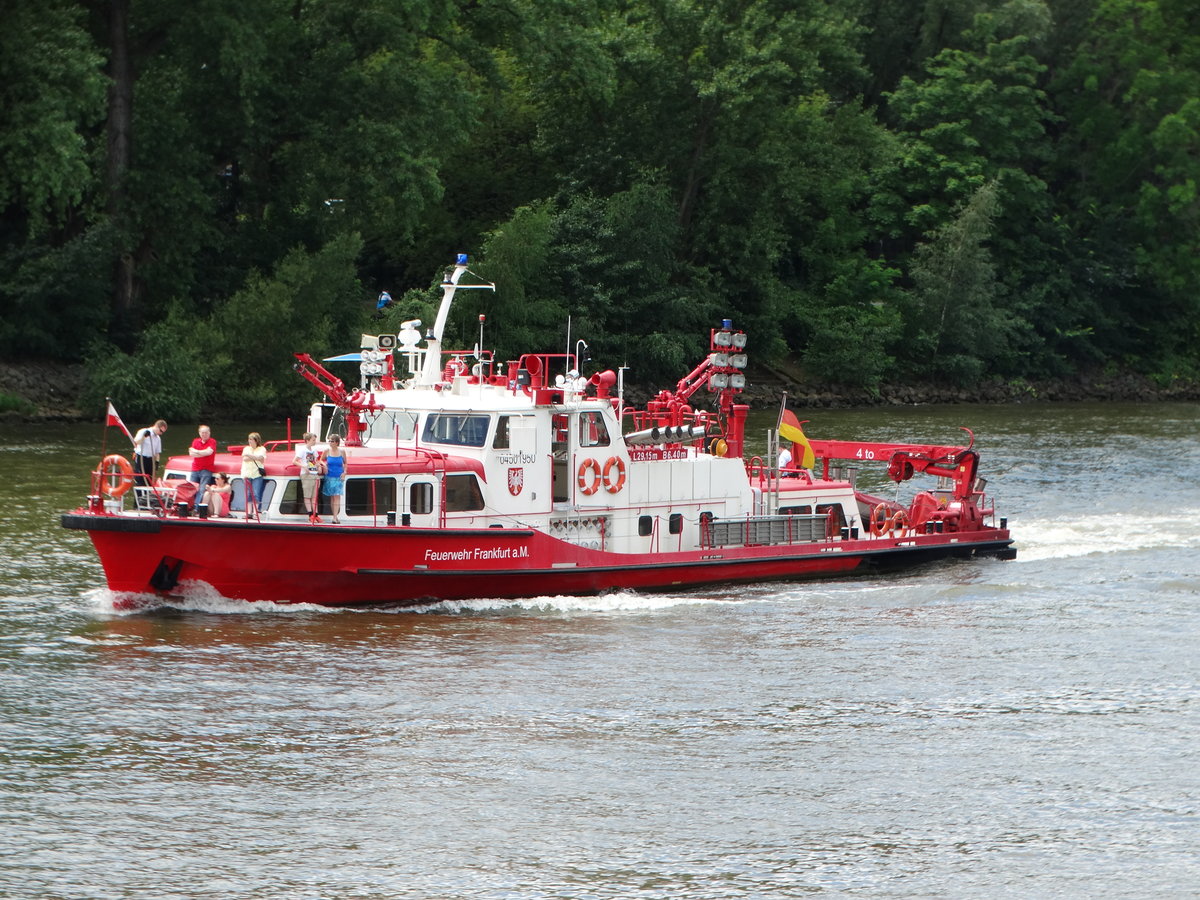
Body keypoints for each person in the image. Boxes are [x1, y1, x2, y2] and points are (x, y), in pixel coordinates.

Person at [292, 432, 323, 520]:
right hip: (307, 475)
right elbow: (294, 461)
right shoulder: (302, 450)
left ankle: (316, 515)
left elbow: (316, 461)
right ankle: (310, 515)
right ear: (308, 440)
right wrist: (303, 466)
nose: (314, 441)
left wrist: (319, 466)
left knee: (314, 497)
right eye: (313, 440)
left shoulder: (314, 451)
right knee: (307, 496)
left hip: (315, 474)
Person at [321, 434, 349, 524]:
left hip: (339, 476)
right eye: (329, 441)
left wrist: (344, 472)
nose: (330, 442)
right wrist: (324, 465)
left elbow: (345, 463)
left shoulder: (342, 451)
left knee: (337, 496)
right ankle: (335, 517)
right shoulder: (327, 451)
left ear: (337, 442)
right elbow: (321, 460)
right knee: (332, 497)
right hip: (329, 476)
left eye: (332, 441)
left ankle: (335, 517)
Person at [133, 420, 167, 487]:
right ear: (157, 426)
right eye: (161, 431)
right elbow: (137, 442)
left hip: (150, 460)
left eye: (163, 432)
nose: (161, 433)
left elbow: (157, 453)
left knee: (149, 480)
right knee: (140, 479)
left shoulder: (158, 438)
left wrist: (157, 463)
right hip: (141, 458)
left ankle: (147, 495)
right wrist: (144, 437)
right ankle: (139, 496)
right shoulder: (143, 431)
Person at [241, 432, 267, 514]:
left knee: (256, 494)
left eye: (251, 439)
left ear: (256, 440)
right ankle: (249, 512)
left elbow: (261, 458)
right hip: (247, 474)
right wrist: (255, 457)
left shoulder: (262, 449)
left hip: (257, 474)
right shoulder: (246, 448)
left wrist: (249, 455)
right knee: (248, 494)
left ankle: (256, 512)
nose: (249, 441)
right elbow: (245, 459)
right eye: (249, 439)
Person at [188, 424, 218, 496]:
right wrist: (203, 452)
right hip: (195, 469)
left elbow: (209, 452)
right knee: (192, 489)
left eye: (206, 432)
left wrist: (197, 451)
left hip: (206, 469)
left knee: (202, 489)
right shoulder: (195, 441)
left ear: (209, 433)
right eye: (202, 432)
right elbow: (191, 454)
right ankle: (192, 505)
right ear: (199, 433)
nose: (204, 434)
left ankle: (199, 506)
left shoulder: (212, 441)